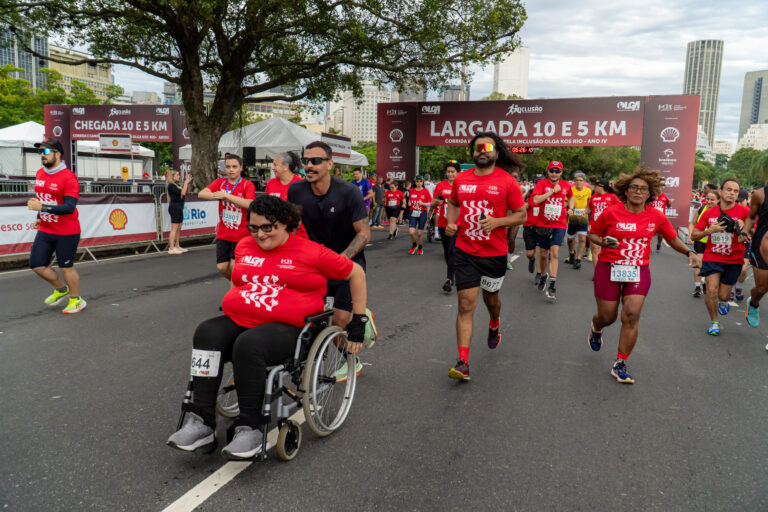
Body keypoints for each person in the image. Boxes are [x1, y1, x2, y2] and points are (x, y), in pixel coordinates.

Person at [167, 195, 368, 459]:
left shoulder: (311, 251)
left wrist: (358, 321)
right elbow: (239, 280)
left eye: (267, 227)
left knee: (249, 345)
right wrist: (234, 302)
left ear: (286, 223)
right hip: (243, 319)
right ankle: (201, 422)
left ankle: (250, 427)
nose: (260, 234)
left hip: (289, 328)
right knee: (206, 332)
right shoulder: (244, 246)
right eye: (254, 227)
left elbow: (356, 273)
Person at [588, 168, 699, 384]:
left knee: (631, 315)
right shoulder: (611, 212)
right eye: (634, 188)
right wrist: (603, 242)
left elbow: (673, 238)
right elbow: (593, 232)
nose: (638, 192)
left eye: (643, 189)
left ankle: (620, 363)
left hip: (638, 270)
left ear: (650, 194)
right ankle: (596, 327)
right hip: (609, 268)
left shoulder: (656, 216)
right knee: (608, 317)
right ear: (626, 191)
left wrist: (689, 252)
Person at [445, 132, 526, 381]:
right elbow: (453, 203)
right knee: (466, 304)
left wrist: (498, 221)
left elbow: (521, 214)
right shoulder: (461, 179)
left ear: (496, 153)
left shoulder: (506, 181)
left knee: (491, 300)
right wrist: (451, 223)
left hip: (494, 253)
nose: (483, 151)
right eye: (478, 147)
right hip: (465, 250)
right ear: (472, 152)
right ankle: (462, 362)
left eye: (488, 147)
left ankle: (494, 322)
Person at [287, 140, 371, 349]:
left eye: (315, 161)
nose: (309, 165)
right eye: (306, 160)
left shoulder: (348, 191)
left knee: (340, 320)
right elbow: (291, 227)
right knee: (307, 317)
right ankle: (342, 361)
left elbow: (364, 234)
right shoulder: (296, 190)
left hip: (347, 261)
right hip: (317, 262)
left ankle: (360, 322)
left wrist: (340, 259)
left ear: (330, 164)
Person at [26, 137, 86, 314]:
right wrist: (40, 215)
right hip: (46, 228)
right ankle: (61, 289)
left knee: (66, 266)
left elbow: (69, 207)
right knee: (36, 264)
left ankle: (76, 300)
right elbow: (44, 198)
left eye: (45, 152)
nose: (41, 156)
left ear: (57, 154)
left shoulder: (69, 177)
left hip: (67, 231)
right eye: (40, 152)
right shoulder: (40, 173)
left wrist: (42, 207)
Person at [691, 179, 750, 336]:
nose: (732, 193)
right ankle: (714, 322)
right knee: (711, 290)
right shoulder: (709, 212)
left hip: (733, 258)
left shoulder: (744, 212)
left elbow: (752, 235)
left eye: (735, 191)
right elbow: (694, 235)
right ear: (721, 192)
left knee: (723, 295)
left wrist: (744, 230)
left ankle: (724, 301)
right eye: (729, 189)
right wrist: (709, 231)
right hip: (713, 256)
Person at [198, 154, 256, 280]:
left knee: (235, 267)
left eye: (234, 167)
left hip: (241, 234)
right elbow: (201, 194)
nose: (231, 170)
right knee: (222, 267)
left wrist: (227, 197)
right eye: (228, 166)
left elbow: (249, 204)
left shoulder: (247, 185)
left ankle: (235, 290)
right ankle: (238, 285)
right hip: (223, 233)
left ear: (241, 168)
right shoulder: (220, 183)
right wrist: (218, 195)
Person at [532, 160, 574, 301]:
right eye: (552, 170)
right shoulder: (542, 184)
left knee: (554, 252)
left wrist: (571, 209)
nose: (554, 173)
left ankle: (552, 285)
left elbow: (571, 197)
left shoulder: (566, 185)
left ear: (561, 172)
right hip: (543, 223)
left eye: (557, 171)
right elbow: (536, 199)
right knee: (543, 255)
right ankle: (543, 275)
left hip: (559, 224)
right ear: (548, 171)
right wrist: (551, 192)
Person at [429, 162, 459, 291]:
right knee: (447, 251)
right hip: (443, 222)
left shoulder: (462, 185)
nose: (450, 174)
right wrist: (435, 203)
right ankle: (453, 272)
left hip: (457, 223)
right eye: (448, 171)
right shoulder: (440, 185)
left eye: (453, 171)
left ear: (457, 172)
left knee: (453, 250)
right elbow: (434, 202)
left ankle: (449, 279)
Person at [744, 183, 768, 328]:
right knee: (761, 288)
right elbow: (751, 217)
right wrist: (746, 231)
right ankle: (753, 303)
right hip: (761, 248)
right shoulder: (760, 194)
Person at [688, 191, 718, 297]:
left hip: (714, 242)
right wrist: (691, 235)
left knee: (709, 265)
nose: (709, 202)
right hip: (701, 240)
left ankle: (705, 282)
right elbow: (692, 223)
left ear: (718, 201)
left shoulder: (721, 212)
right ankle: (697, 286)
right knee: (698, 261)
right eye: (707, 199)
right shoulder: (701, 209)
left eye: (712, 200)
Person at [586, 178, 619, 270]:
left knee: (608, 248)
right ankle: (597, 272)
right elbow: (589, 209)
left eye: (595, 186)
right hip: (595, 227)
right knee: (595, 249)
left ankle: (609, 269)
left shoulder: (612, 197)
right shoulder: (594, 197)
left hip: (608, 228)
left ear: (601, 187)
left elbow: (619, 209)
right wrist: (581, 212)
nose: (594, 187)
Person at [564, 171, 592, 269]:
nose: (578, 182)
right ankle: (571, 253)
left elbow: (590, 204)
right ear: (574, 181)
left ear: (584, 181)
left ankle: (578, 259)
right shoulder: (570, 190)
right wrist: (568, 209)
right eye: (576, 180)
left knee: (582, 238)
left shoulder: (588, 191)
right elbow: (566, 202)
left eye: (580, 180)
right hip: (572, 218)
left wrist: (587, 211)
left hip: (583, 219)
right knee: (570, 239)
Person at [166, 170, 192, 254]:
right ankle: (171, 248)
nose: (179, 176)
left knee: (178, 229)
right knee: (174, 228)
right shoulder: (171, 186)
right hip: (174, 208)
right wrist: (186, 183)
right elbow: (183, 193)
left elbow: (184, 192)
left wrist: (186, 184)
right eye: (177, 175)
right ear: (172, 176)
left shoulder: (177, 185)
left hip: (179, 208)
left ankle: (177, 246)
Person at [407, 176, 432, 255]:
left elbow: (431, 203)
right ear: (415, 182)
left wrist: (423, 204)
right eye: (417, 181)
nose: (418, 182)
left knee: (420, 233)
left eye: (420, 181)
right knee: (411, 232)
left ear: (422, 182)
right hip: (413, 213)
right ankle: (414, 245)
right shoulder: (412, 190)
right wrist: (409, 203)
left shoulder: (425, 191)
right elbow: (409, 200)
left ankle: (420, 247)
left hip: (422, 213)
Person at [505, 169, 524, 270]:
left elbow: (523, 193)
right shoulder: (504, 187)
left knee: (511, 239)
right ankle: (501, 258)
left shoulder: (520, 189)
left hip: (516, 217)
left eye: (515, 177)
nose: (513, 178)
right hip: (506, 216)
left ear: (519, 179)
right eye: (511, 176)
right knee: (503, 239)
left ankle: (508, 259)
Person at [650, 182, 673, 251]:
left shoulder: (665, 196)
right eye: (657, 187)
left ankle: (659, 243)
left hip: (661, 218)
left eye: (659, 187)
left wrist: (670, 204)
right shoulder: (652, 196)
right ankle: (649, 249)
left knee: (660, 234)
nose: (658, 189)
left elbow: (668, 206)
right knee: (650, 233)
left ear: (662, 188)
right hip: (652, 218)